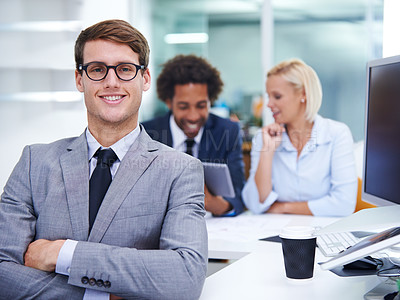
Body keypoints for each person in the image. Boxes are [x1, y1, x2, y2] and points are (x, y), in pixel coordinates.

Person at [0, 19, 207, 300]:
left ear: (144, 79)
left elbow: (185, 277)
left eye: (125, 69)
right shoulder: (34, 162)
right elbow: (3, 271)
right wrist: (99, 296)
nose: (111, 82)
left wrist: (61, 252)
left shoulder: (180, 170)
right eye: (97, 69)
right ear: (79, 79)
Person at [242, 58, 357, 217]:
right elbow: (254, 202)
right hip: (274, 231)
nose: (268, 104)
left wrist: (282, 208)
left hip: (323, 232)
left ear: (303, 94)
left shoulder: (337, 134)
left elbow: (344, 204)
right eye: (268, 96)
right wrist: (267, 154)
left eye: (277, 96)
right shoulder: (265, 138)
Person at [142, 54, 245, 216]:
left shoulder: (227, 131)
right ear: (169, 102)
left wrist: (211, 203)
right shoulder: (147, 134)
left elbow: (238, 199)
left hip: (212, 224)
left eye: (201, 106)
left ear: (210, 100)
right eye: (183, 107)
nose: (193, 116)